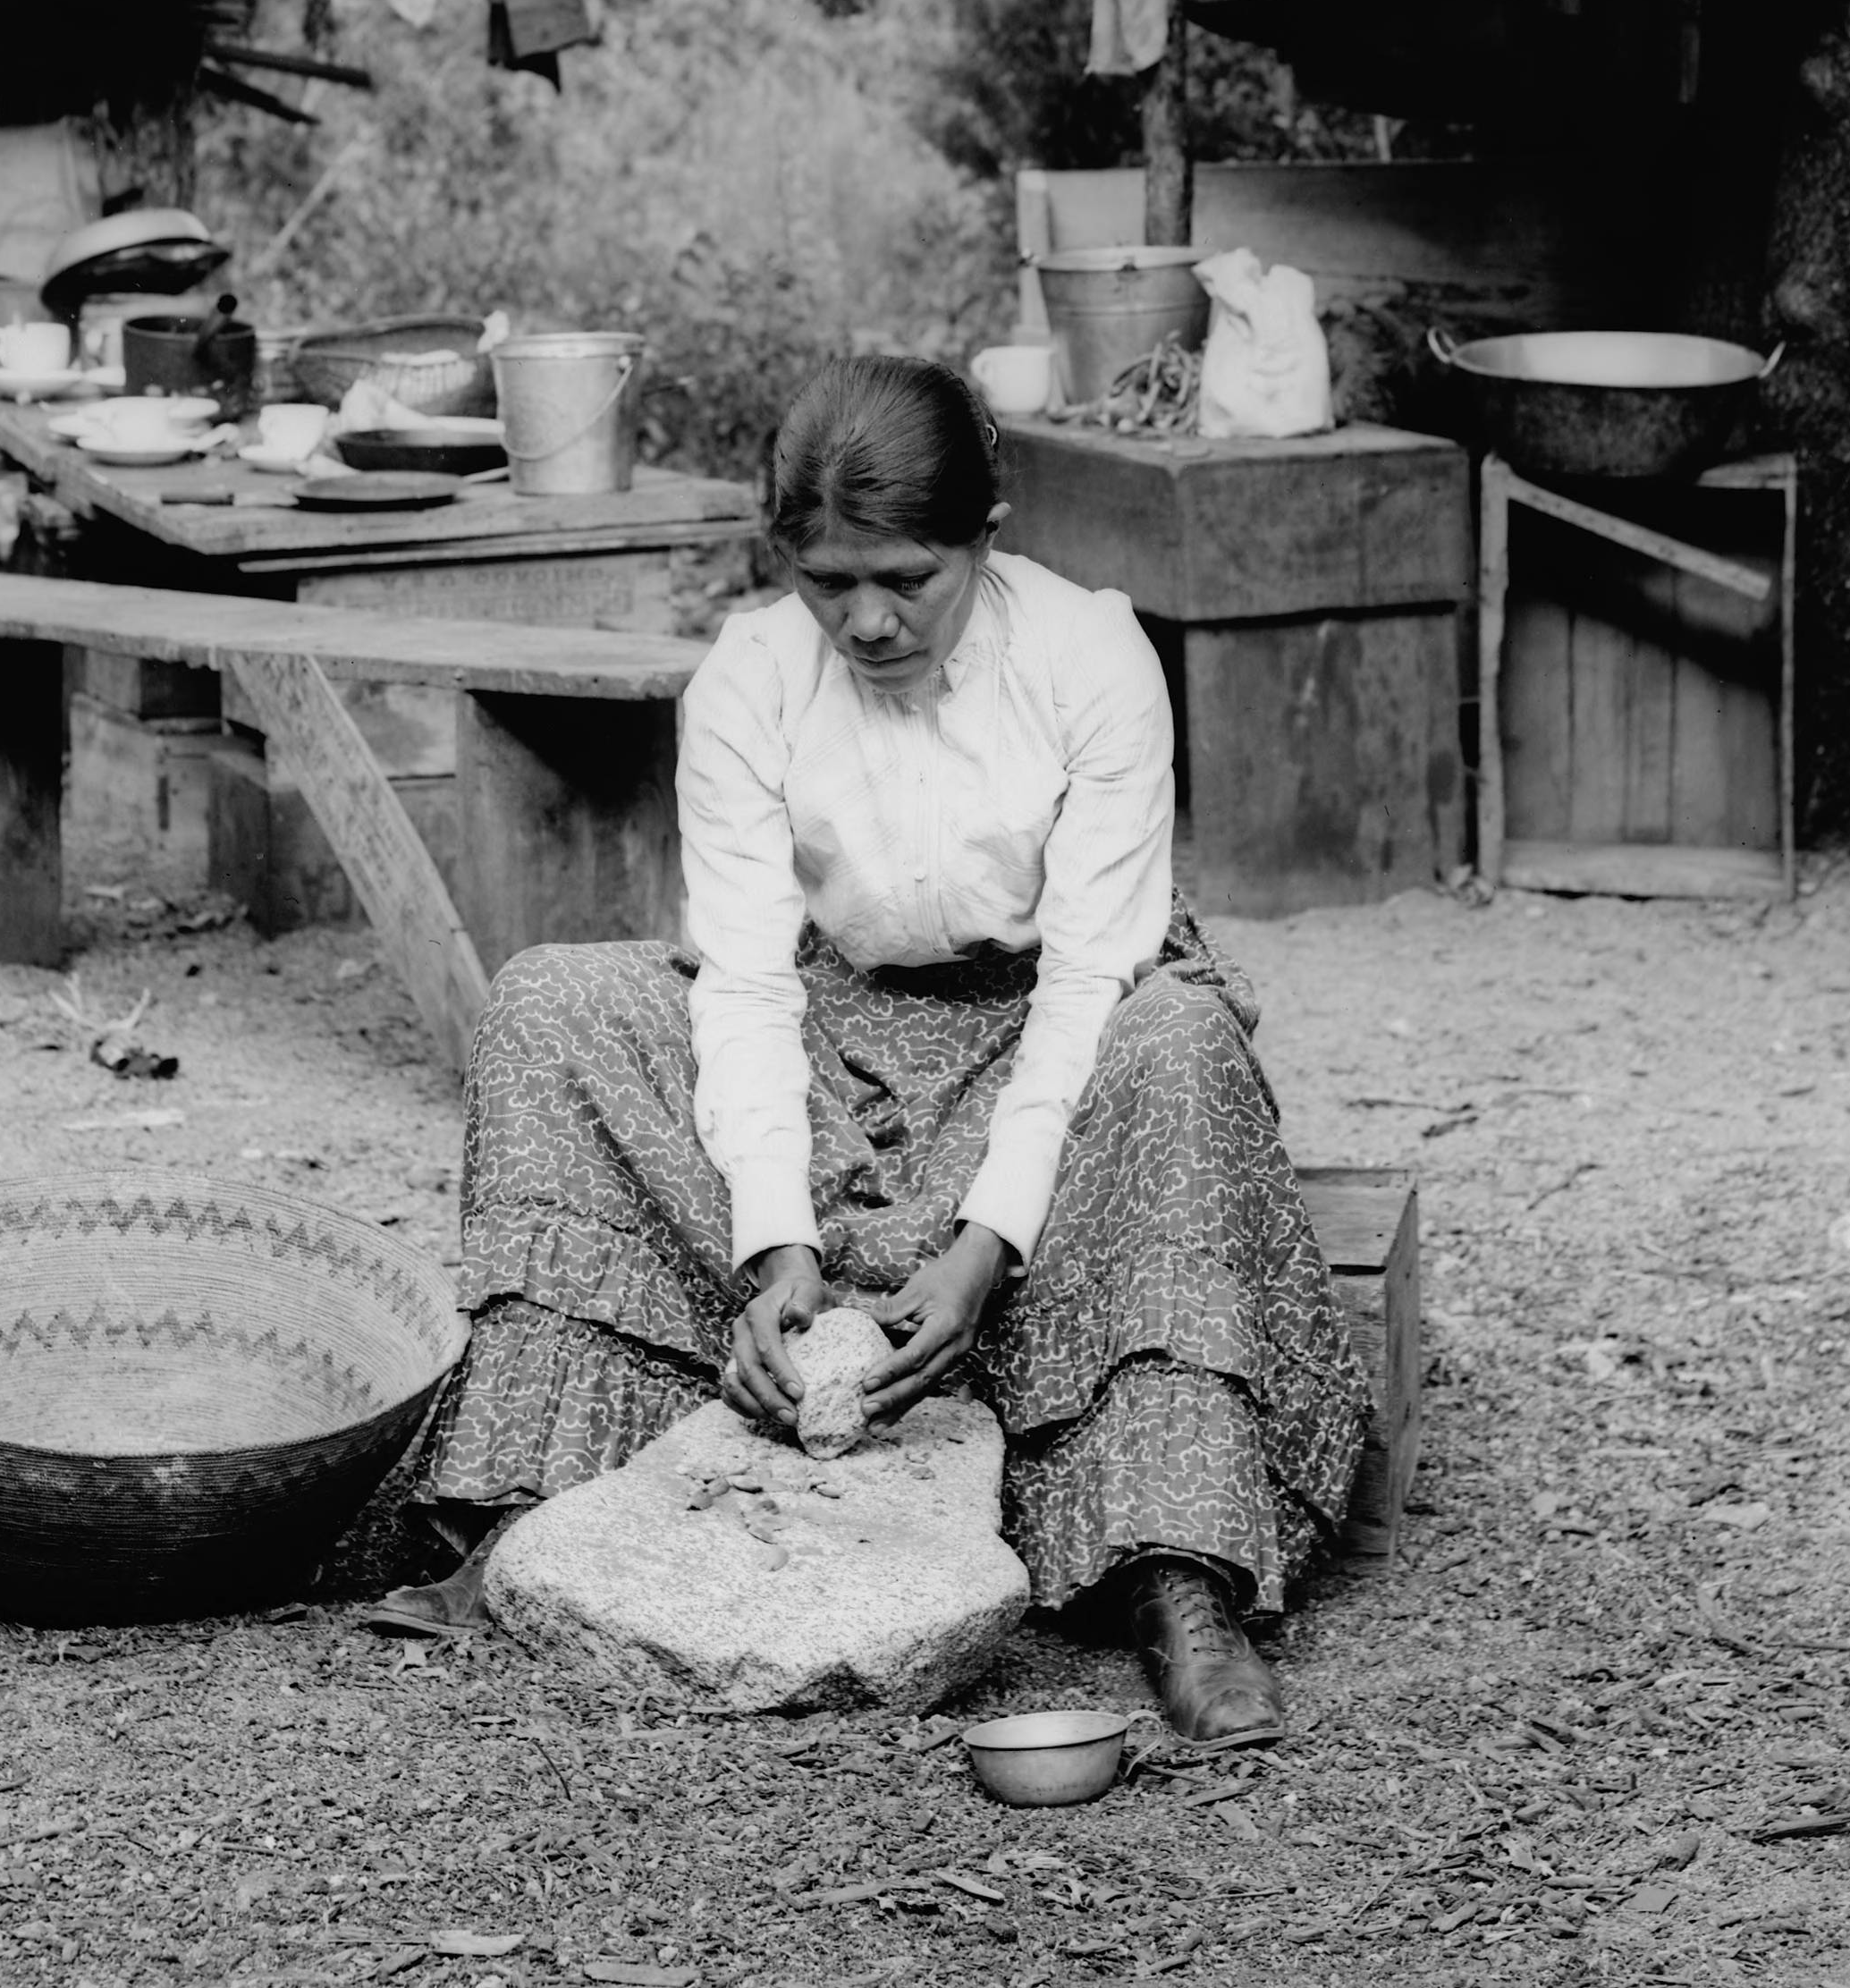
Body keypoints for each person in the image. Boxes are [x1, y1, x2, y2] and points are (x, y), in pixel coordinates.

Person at [364, 351, 1373, 1743]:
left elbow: (1090, 979)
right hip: (833, 1044)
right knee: (554, 999)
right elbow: (743, 979)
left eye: (908, 575)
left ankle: (1172, 1571)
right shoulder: (751, 677)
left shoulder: (1090, 659)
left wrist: (983, 1251)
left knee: (1181, 1042)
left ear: (986, 529)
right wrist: (773, 1243)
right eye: (827, 579)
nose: (869, 617)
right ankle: (536, 1513)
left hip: (1055, 1033)